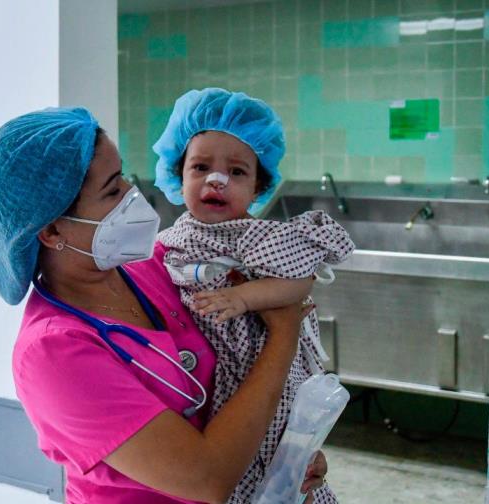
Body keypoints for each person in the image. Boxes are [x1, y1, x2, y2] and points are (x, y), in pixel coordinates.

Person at [0, 107, 328, 504]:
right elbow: (206, 477)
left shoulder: (158, 265)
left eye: (124, 175)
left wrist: (285, 456)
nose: (132, 193)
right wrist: (284, 335)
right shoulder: (53, 353)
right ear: (52, 230)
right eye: (112, 189)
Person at [152, 88, 354, 503]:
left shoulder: (262, 237)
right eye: (201, 167)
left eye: (237, 172)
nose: (216, 179)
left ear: (260, 187)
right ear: (178, 175)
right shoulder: (170, 242)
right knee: (236, 464)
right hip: (218, 382)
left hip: (268, 366)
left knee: (283, 459)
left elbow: (300, 283)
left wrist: (246, 299)